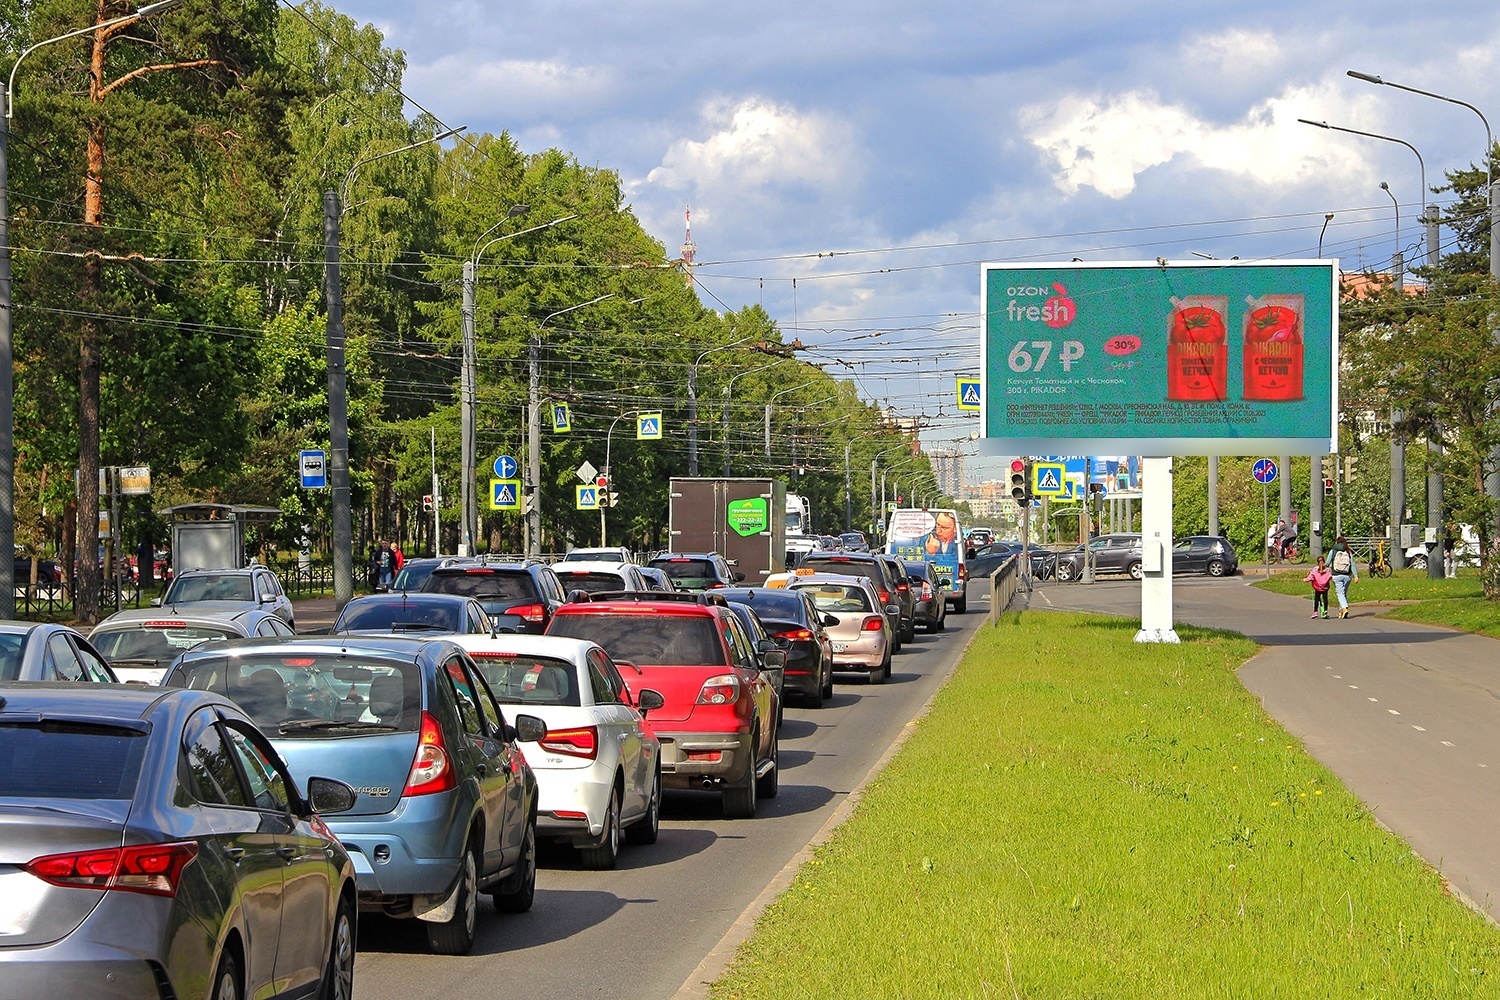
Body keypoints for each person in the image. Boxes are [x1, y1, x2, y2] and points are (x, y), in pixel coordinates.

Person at [1329, 535, 1357, 619]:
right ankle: (1341, 612)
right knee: (1343, 594)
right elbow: (1352, 564)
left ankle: (1344, 608)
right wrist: (1356, 576)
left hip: (1336, 575)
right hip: (1347, 576)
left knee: (1340, 593)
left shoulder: (1333, 551)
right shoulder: (1348, 551)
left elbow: (1327, 563)